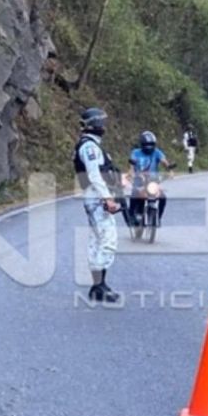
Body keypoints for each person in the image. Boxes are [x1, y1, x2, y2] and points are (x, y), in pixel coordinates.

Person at [72, 107, 121, 303]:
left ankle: (97, 285)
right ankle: (100, 286)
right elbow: (94, 175)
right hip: (96, 197)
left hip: (94, 197)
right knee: (107, 241)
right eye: (102, 122)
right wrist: (107, 198)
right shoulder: (90, 147)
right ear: (95, 124)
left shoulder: (91, 145)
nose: (104, 126)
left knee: (96, 241)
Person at [127, 130, 173, 224]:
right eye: (146, 144)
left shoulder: (157, 152)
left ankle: (158, 218)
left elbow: (164, 162)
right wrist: (131, 172)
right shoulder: (136, 153)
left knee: (163, 198)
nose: (149, 146)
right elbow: (131, 166)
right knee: (134, 196)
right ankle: (131, 215)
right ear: (141, 144)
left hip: (152, 181)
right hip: (139, 180)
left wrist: (170, 170)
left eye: (151, 144)